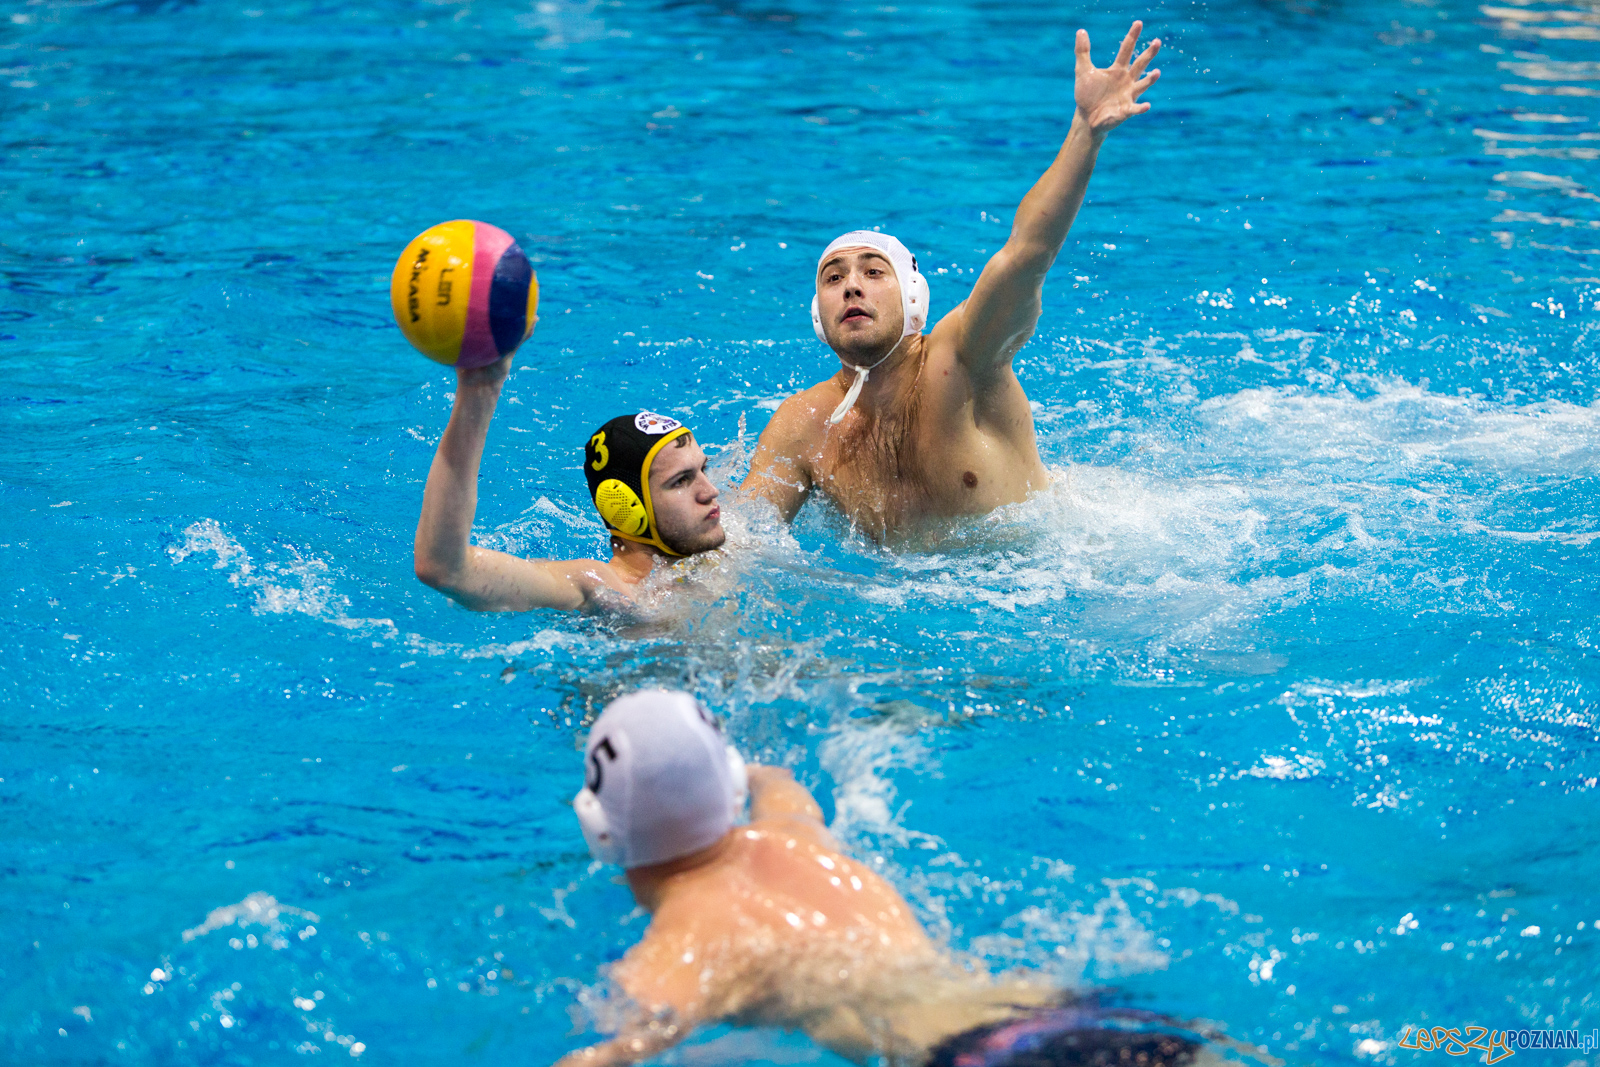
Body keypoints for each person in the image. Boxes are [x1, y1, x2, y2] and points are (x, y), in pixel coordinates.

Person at [556, 689, 1207, 1067]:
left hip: (976, 1055)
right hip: (1060, 1005)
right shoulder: (793, 831)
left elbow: (611, 1052)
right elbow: (773, 780)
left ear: (600, 829)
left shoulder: (679, 949)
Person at [741, 21, 1163, 540]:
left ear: (914, 300)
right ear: (817, 316)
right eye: (833, 278)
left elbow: (1025, 256)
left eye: (874, 272)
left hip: (1042, 580)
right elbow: (740, 542)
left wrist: (1086, 130)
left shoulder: (962, 360)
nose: (851, 286)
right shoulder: (804, 423)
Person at [413, 355, 725, 612]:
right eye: (681, 481)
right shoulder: (603, 590)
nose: (710, 492)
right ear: (626, 508)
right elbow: (443, 568)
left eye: (703, 469)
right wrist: (479, 390)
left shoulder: (727, 536)